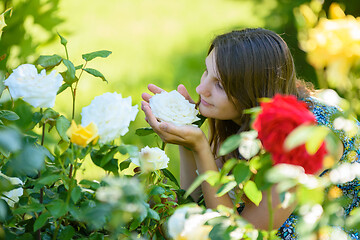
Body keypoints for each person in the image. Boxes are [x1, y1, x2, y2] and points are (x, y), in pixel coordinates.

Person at [141, 28, 359, 239]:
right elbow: (199, 202)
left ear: (250, 92)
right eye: (207, 71)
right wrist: (187, 137)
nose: (201, 89)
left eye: (220, 84)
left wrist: (200, 146)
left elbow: (240, 234)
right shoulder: (241, 117)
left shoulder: (302, 138)